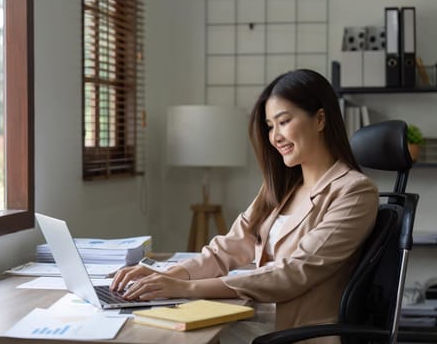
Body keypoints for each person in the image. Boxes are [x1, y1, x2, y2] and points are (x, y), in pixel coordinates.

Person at [111, 69, 378, 343]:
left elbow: (294, 273)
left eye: (284, 122)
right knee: (141, 325)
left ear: (320, 119)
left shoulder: (354, 192)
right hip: (253, 315)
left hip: (292, 330)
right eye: (270, 126)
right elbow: (228, 248)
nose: (275, 137)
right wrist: (166, 275)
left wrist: (186, 287)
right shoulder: (282, 186)